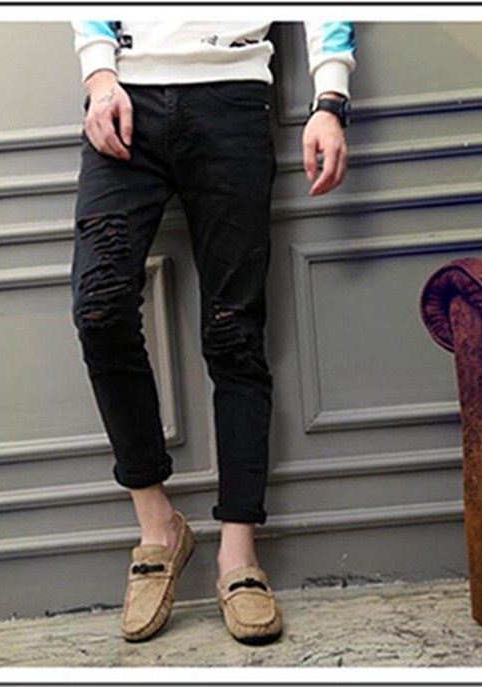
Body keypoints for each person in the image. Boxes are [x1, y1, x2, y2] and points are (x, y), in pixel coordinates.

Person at [70, 20, 355, 645]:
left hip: (233, 95)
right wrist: (98, 74)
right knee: (100, 308)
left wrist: (330, 100)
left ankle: (237, 553)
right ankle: (158, 528)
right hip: (126, 94)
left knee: (234, 330)